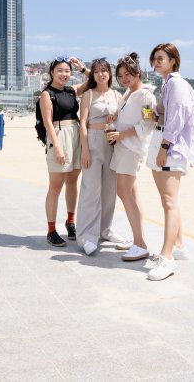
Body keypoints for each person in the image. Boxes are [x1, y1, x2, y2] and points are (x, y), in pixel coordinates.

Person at [146, 43, 194, 281]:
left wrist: (165, 147)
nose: (156, 63)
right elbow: (167, 115)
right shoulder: (167, 84)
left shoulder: (177, 85)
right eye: (154, 59)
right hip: (163, 141)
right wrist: (153, 114)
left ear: (173, 61)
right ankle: (179, 246)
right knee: (169, 200)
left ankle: (167, 257)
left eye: (160, 59)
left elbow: (177, 119)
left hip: (171, 147)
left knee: (169, 201)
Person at [75, 57, 127, 256]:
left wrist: (116, 119)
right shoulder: (88, 94)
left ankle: (105, 230)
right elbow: (82, 123)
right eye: (96, 71)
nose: (100, 74)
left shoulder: (117, 95)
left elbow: (123, 119)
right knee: (90, 190)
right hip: (93, 142)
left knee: (109, 190)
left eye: (104, 71)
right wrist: (85, 149)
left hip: (111, 143)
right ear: (93, 74)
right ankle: (86, 236)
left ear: (109, 73)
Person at [109, 53, 157, 262]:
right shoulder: (128, 94)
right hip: (122, 146)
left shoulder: (146, 95)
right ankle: (137, 238)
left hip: (132, 148)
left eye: (128, 74)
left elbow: (147, 125)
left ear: (138, 73)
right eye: (120, 75)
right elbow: (127, 117)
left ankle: (141, 245)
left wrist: (122, 134)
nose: (124, 78)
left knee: (123, 191)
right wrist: (115, 118)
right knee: (132, 193)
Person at [38, 56, 90, 247]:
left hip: (76, 135)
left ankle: (70, 221)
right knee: (55, 186)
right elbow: (47, 123)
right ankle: (51, 230)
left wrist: (82, 69)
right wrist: (58, 147)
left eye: (67, 71)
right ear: (52, 72)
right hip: (59, 137)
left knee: (72, 182)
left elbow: (98, 80)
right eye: (60, 70)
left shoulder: (71, 91)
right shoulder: (47, 94)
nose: (64, 74)